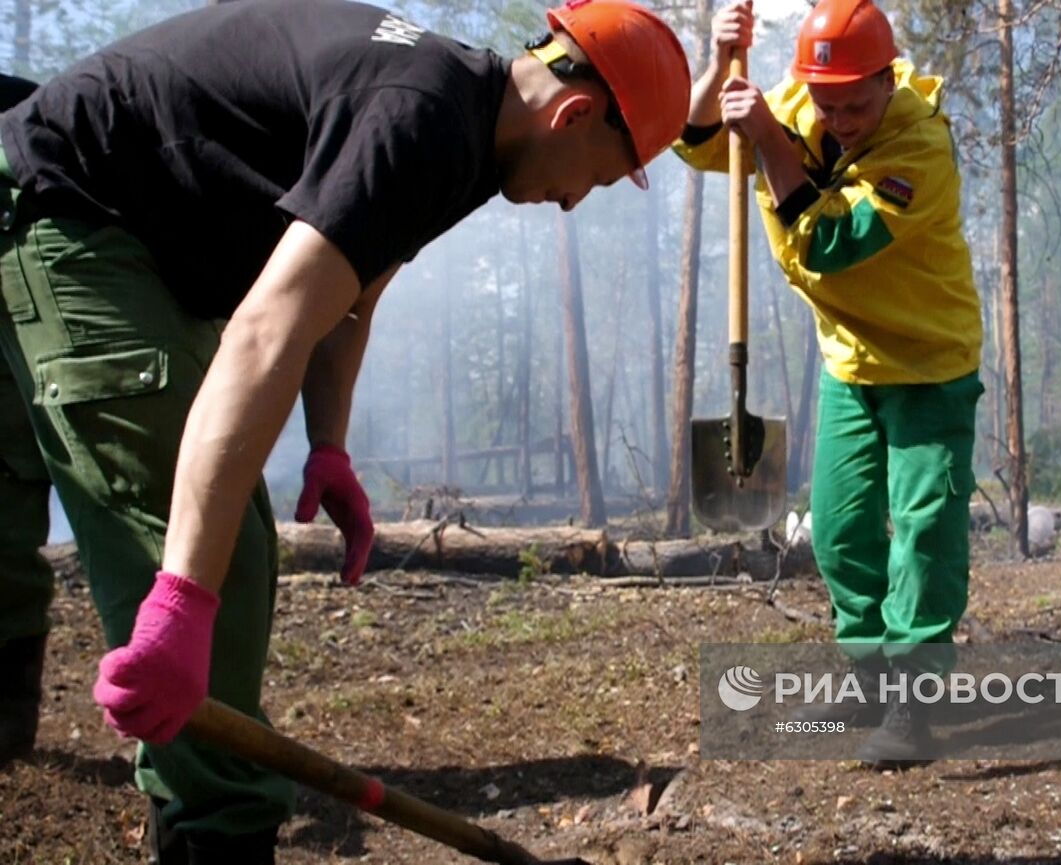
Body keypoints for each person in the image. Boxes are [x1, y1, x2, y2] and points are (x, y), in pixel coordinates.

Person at [0, 0, 689, 861]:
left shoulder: (463, 117)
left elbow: (350, 296)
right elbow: (264, 332)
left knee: (8, 483)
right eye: (597, 174)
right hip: (75, 206)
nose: (574, 203)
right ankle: (214, 836)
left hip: (54, 186)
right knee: (211, 552)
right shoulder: (425, 118)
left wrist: (329, 445)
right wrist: (179, 603)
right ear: (575, 112)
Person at [675, 0, 983, 763]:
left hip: (927, 364)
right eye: (824, 102)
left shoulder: (919, 149)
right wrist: (719, 67)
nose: (839, 119)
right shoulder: (800, 104)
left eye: (855, 103)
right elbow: (697, 143)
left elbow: (832, 244)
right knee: (842, 532)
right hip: (850, 359)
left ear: (887, 80)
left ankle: (913, 702)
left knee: (923, 533)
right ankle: (868, 673)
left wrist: (772, 139)